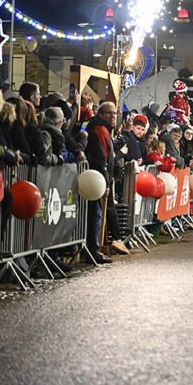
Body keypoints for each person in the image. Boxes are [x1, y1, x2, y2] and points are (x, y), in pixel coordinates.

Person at [83, 102, 117, 264]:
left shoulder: (103, 129)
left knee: (96, 215)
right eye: (109, 113)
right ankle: (93, 251)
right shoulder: (100, 130)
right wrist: (105, 183)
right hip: (96, 181)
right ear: (101, 114)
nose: (113, 116)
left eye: (114, 113)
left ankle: (93, 250)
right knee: (95, 215)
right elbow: (101, 158)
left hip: (97, 179)